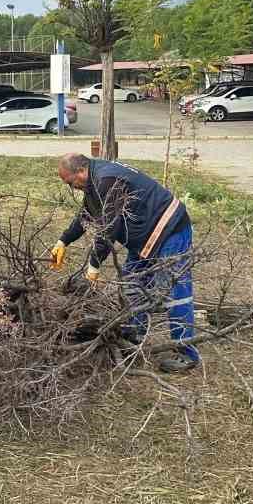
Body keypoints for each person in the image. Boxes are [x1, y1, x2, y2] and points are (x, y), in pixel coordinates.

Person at [48, 153, 199, 373]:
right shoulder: (93, 179)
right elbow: (86, 214)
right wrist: (63, 240)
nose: (72, 187)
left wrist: (94, 266)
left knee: (176, 291)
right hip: (146, 236)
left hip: (169, 229)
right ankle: (134, 336)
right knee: (131, 283)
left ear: (80, 171)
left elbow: (109, 228)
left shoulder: (107, 180)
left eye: (70, 182)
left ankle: (186, 353)